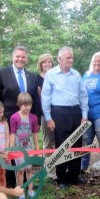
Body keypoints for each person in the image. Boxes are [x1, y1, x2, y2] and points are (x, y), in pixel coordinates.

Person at [0, 46, 41, 188]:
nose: (20, 59)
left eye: (23, 57)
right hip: (6, 122)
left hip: (26, 124)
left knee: (25, 152)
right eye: (18, 56)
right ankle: (10, 185)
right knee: (9, 152)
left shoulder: (32, 76)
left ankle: (26, 182)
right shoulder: (1, 73)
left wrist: (36, 122)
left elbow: (35, 100)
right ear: (13, 57)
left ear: (26, 59)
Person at [41, 47, 88, 189]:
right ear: (59, 59)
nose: (71, 60)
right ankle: (61, 178)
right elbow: (45, 97)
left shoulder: (76, 75)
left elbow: (83, 96)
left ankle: (74, 175)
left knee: (77, 144)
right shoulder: (51, 74)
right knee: (62, 145)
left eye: (72, 57)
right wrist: (49, 118)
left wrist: (84, 115)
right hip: (59, 113)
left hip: (76, 112)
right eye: (68, 57)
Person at [81, 52, 100, 177]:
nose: (97, 63)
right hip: (87, 114)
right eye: (95, 61)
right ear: (92, 62)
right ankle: (84, 167)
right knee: (86, 140)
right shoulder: (86, 75)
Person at [9, 93, 39, 199]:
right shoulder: (14, 117)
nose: (28, 107)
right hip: (18, 149)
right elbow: (12, 134)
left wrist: (37, 149)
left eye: (29, 105)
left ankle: (30, 190)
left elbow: (35, 134)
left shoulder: (34, 118)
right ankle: (20, 192)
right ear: (19, 104)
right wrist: (10, 149)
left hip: (29, 148)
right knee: (20, 170)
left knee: (29, 169)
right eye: (25, 105)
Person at [36, 54, 55, 162]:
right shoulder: (38, 79)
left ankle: (58, 167)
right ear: (41, 64)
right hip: (45, 114)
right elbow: (39, 98)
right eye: (44, 62)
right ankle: (48, 169)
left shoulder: (57, 76)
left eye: (49, 62)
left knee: (58, 141)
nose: (47, 64)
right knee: (47, 142)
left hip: (58, 112)